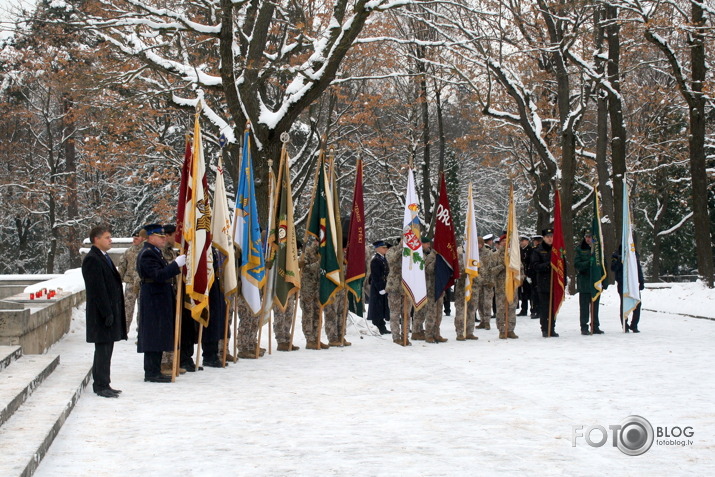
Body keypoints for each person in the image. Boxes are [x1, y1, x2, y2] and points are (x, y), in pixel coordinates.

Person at [81, 225, 128, 398]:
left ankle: (105, 382)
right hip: (101, 314)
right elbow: (97, 289)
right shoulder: (92, 259)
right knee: (102, 349)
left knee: (107, 348)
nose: (111, 240)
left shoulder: (103, 256)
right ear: (96, 239)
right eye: (107, 237)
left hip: (108, 311)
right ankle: (100, 385)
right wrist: (107, 312)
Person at [136, 224, 185, 382]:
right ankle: (151, 372)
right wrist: (176, 265)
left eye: (164, 236)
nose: (164, 239)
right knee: (153, 334)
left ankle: (155, 370)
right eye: (160, 237)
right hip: (153, 297)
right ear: (151, 237)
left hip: (158, 297)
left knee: (157, 334)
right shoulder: (148, 254)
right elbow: (158, 275)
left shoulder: (155, 252)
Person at [300, 237, 329, 349]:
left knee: (318, 314)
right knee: (308, 314)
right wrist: (319, 264)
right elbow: (304, 268)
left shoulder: (324, 252)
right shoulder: (307, 252)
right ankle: (309, 339)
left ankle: (316, 338)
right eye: (318, 240)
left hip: (319, 288)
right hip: (308, 288)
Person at [575, 231, 605, 335]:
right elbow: (577, 264)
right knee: (584, 307)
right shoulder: (580, 249)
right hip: (584, 282)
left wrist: (603, 281)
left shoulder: (598, 250)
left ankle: (595, 326)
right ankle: (584, 327)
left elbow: (603, 266)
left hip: (595, 282)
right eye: (587, 237)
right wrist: (588, 263)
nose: (588, 239)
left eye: (590, 237)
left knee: (595, 306)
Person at [531, 227, 559, 337]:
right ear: (543, 238)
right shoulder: (538, 250)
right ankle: (545, 328)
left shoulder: (557, 249)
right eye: (548, 237)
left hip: (554, 284)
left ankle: (552, 328)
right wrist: (548, 264)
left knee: (553, 308)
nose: (550, 239)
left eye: (551, 236)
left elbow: (563, 266)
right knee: (544, 308)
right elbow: (535, 266)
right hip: (543, 283)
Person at [611, 244, 645, 332]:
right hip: (623, 283)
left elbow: (638, 268)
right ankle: (624, 324)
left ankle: (634, 325)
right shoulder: (616, 255)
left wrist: (641, 281)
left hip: (633, 283)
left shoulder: (633, 254)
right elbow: (613, 268)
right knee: (624, 303)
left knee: (637, 303)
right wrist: (620, 260)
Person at [117, 227, 145, 332]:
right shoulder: (128, 252)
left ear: (143, 238)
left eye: (137, 237)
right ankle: (124, 330)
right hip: (130, 284)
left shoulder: (146, 251)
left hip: (143, 284)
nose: (134, 239)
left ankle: (141, 332)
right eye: (133, 237)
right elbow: (121, 267)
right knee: (127, 308)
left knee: (142, 309)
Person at [493, 235, 519, 339]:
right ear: (499, 243)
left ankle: (511, 329)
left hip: (512, 286)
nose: (505, 243)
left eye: (506, 241)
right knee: (501, 309)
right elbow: (491, 271)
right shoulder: (495, 255)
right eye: (503, 241)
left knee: (512, 308)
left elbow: (520, 268)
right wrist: (503, 265)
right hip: (500, 287)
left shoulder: (514, 256)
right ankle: (502, 330)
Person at [386, 239, 410, 345]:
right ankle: (396, 337)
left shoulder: (412, 252)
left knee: (406, 314)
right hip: (394, 287)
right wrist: (402, 250)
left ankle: (405, 336)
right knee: (395, 314)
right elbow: (391, 260)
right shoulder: (392, 250)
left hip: (408, 287)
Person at [453, 251, 479, 341]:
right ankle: (460, 332)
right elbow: (455, 273)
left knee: (471, 311)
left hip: (473, 288)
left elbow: (482, 272)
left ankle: (469, 332)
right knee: (461, 311)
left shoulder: (475, 257)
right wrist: (463, 273)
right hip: (461, 289)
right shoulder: (459, 258)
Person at [367, 240, 390, 335]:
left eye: (385, 248)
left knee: (382, 307)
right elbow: (376, 276)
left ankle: (382, 325)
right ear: (378, 249)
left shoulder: (383, 258)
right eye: (383, 248)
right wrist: (380, 288)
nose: (385, 249)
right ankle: (378, 326)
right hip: (378, 287)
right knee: (377, 307)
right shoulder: (376, 260)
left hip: (383, 285)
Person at [517, 236, 532, 316]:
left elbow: (530, 263)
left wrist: (528, 274)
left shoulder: (530, 250)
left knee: (530, 293)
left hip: (527, 274)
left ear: (527, 241)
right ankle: (524, 309)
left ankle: (533, 309)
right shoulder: (519, 250)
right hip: (521, 274)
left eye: (523, 241)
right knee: (523, 293)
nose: (521, 242)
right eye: (520, 241)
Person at [529, 235, 542, 318]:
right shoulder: (533, 250)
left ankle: (539, 311)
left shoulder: (540, 250)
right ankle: (534, 310)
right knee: (534, 294)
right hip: (533, 275)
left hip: (540, 274)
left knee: (539, 294)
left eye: (536, 241)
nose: (535, 242)